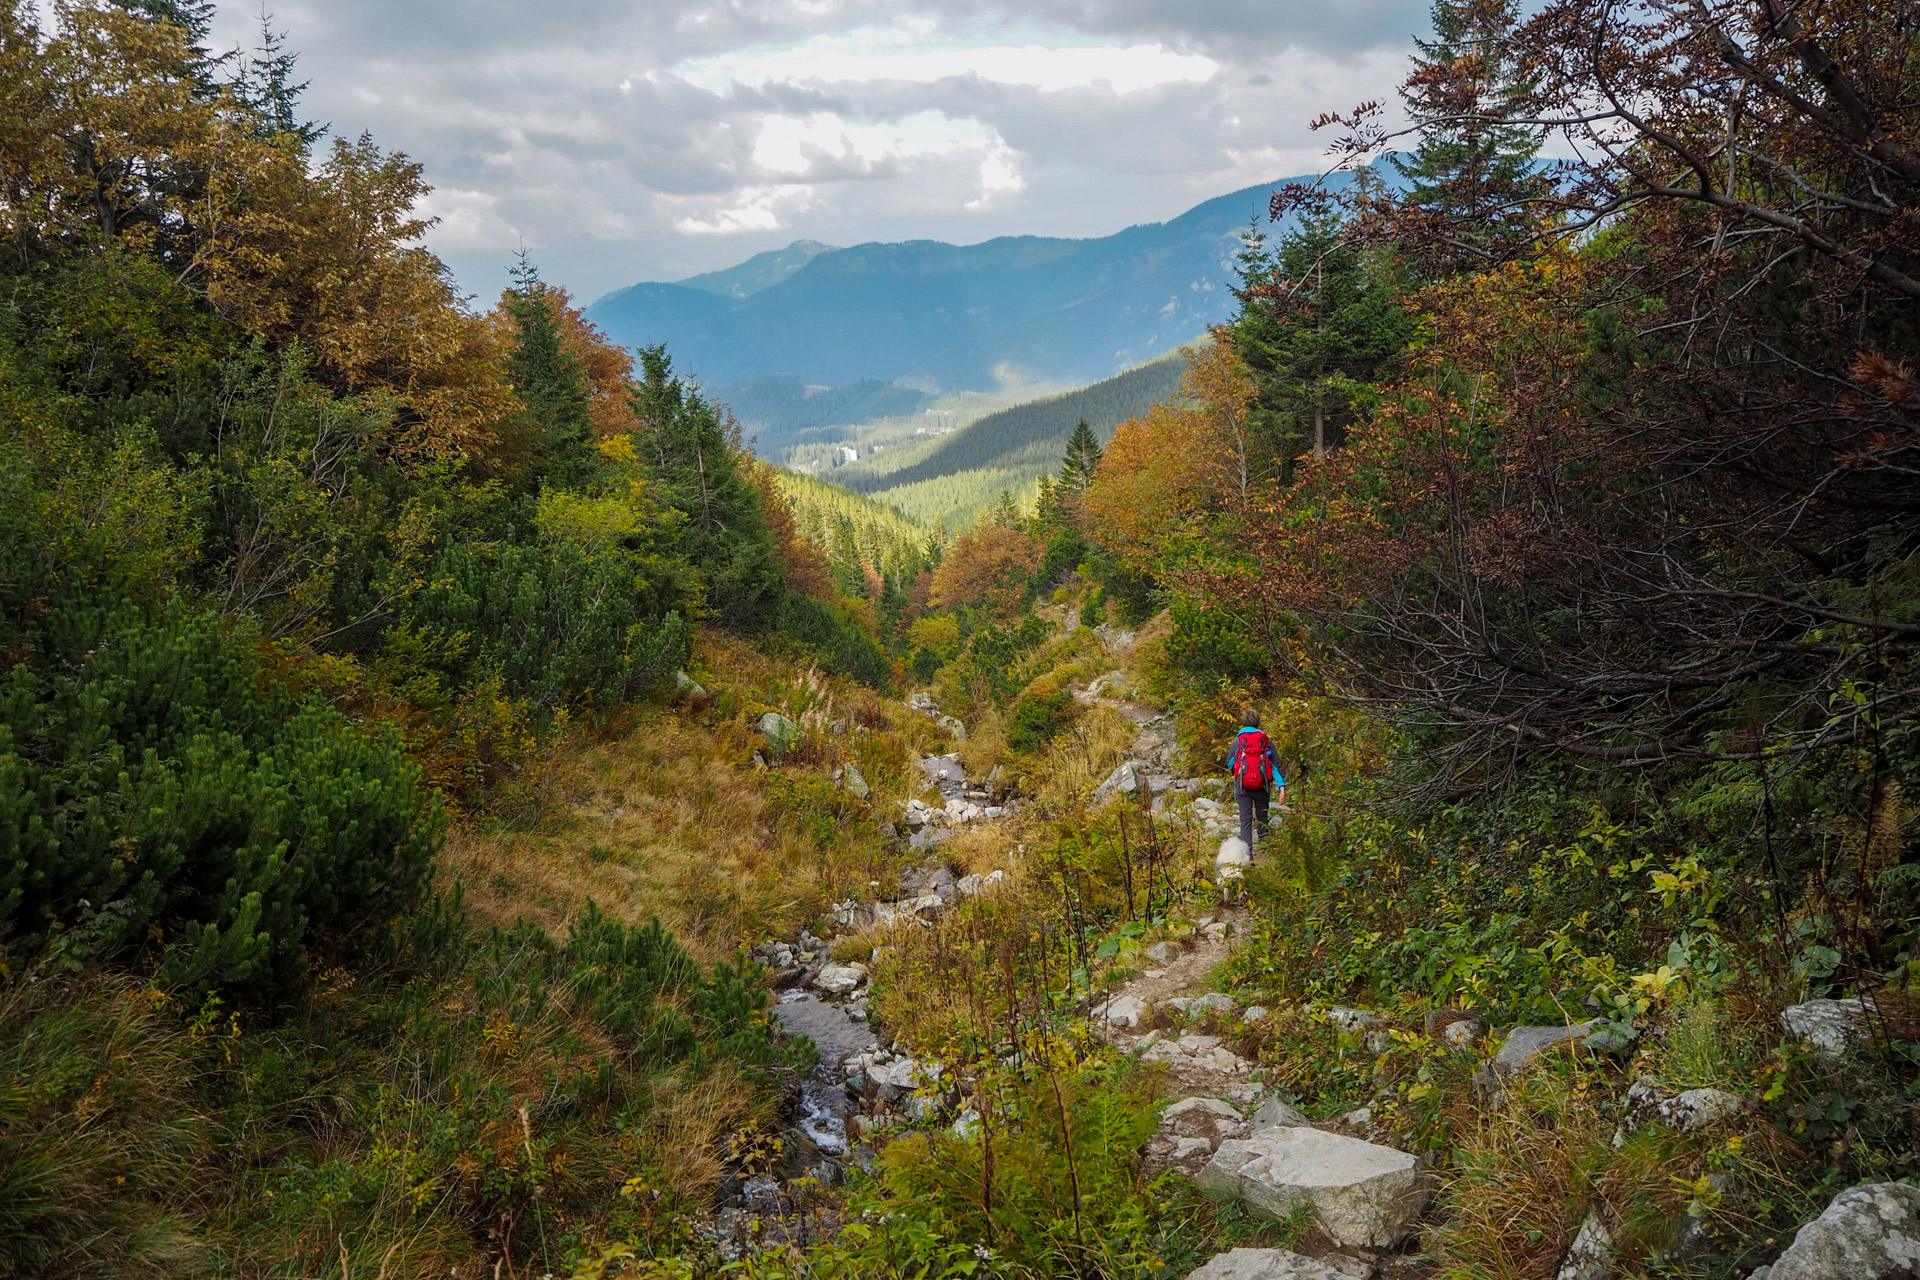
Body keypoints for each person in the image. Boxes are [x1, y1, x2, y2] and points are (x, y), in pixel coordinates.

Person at [1225, 709, 1285, 849]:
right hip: (1262, 786)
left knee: (1245, 821)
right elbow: (1275, 765)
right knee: (1262, 817)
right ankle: (1264, 847)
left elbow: (1230, 764)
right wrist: (1281, 787)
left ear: (1243, 722)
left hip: (1242, 787)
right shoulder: (1266, 741)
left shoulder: (1238, 741)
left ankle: (1248, 856)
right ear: (1258, 723)